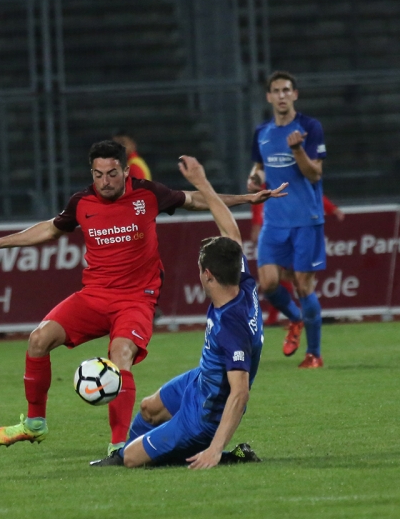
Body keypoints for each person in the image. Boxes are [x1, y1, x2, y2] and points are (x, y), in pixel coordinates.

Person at [0, 139, 286, 462]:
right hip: (94, 295)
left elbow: (196, 199)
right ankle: (34, 424)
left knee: (120, 355)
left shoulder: (148, 194)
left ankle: (118, 446)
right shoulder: (81, 202)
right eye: (98, 174)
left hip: (136, 299)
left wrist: (246, 199)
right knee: (38, 339)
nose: (105, 181)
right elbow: (50, 229)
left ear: (126, 171)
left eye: (112, 173)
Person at [91, 155, 270, 469]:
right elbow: (230, 230)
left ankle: (227, 455)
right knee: (149, 409)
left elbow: (240, 393)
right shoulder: (241, 282)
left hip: (204, 417)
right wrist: (201, 182)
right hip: (200, 381)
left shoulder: (232, 326)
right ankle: (129, 451)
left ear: (208, 275)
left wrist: (215, 448)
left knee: (132, 460)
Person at [248, 71, 328, 368]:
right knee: (268, 284)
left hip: (306, 218)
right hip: (274, 220)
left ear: (295, 94)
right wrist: (254, 179)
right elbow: (259, 166)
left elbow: (315, 174)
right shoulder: (262, 132)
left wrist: (297, 150)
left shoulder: (310, 128)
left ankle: (314, 354)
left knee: (304, 286)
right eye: (276, 91)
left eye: (286, 90)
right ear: (269, 96)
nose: (281, 95)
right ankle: (295, 318)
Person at [249, 178, 345, 325]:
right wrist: (257, 225)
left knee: (295, 279)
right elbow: (259, 202)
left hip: (297, 232)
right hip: (278, 233)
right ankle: (293, 318)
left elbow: (313, 195)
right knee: (280, 278)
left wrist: (332, 209)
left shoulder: (291, 179)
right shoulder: (268, 182)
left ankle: (302, 319)